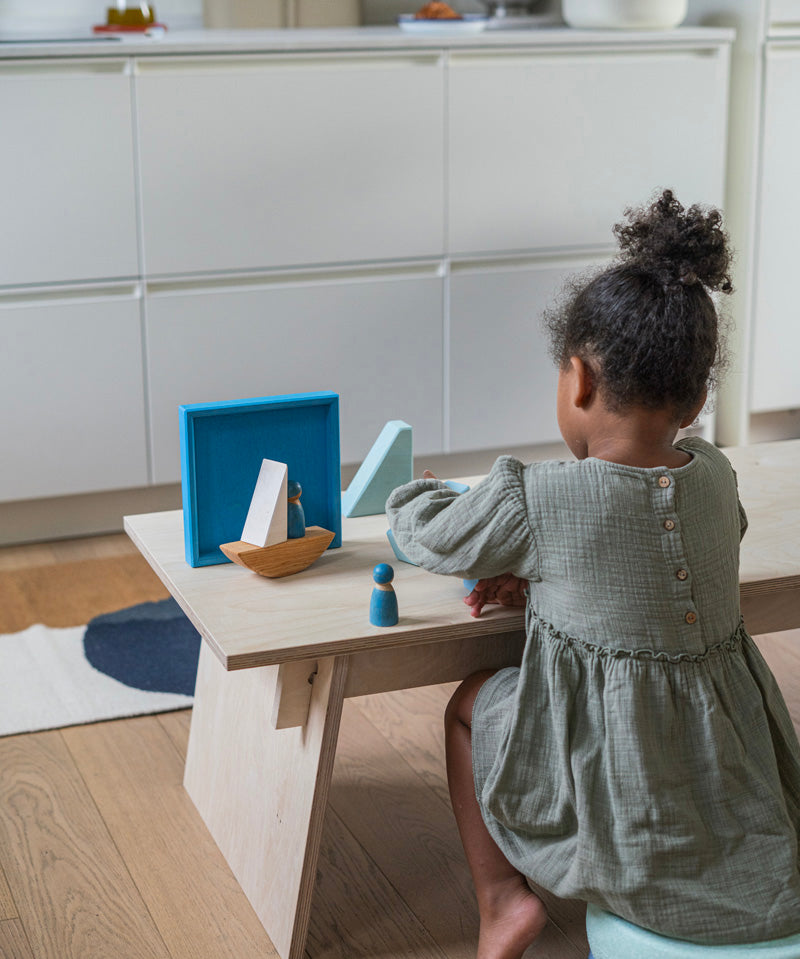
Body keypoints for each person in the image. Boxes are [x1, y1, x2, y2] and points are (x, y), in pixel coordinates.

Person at [386, 189, 800, 959]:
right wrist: (548, 576)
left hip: (617, 788)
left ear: (577, 378)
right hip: (727, 769)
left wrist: (422, 488)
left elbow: (428, 536)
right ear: (699, 397)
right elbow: (684, 545)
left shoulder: (537, 497)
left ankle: (504, 901)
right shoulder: (714, 475)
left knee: (470, 704)